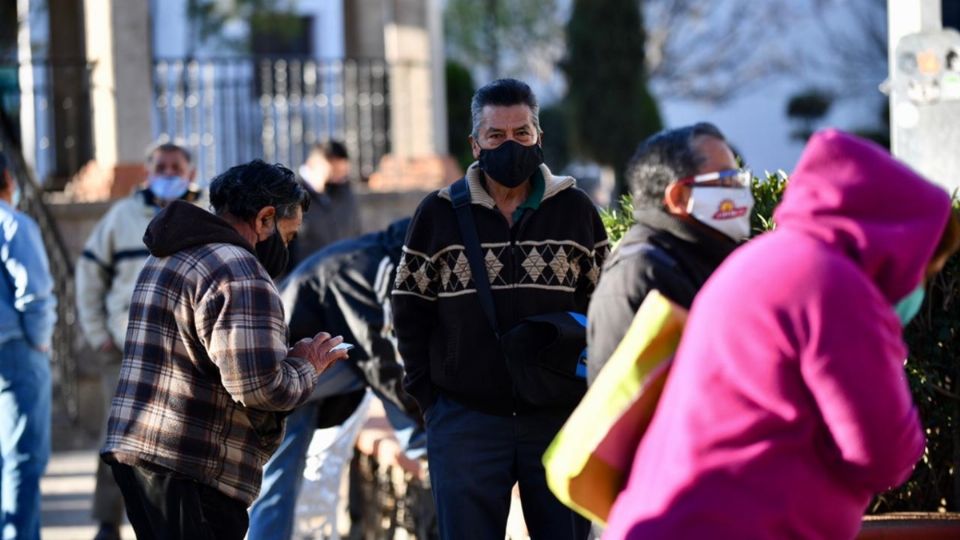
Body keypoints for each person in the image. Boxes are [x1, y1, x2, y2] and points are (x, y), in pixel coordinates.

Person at [603, 129, 960, 539]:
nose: (915, 286)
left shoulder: (763, 258)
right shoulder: (834, 284)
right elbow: (884, 453)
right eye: (921, 269)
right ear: (892, 244)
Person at [392, 78, 608, 540]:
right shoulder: (438, 213)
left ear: (539, 137)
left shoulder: (576, 210)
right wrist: (431, 403)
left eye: (522, 134)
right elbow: (408, 313)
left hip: (558, 420)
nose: (511, 145)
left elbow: (604, 308)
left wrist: (590, 401)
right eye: (496, 136)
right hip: (466, 422)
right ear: (475, 144)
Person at [100, 159, 349, 540]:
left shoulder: (170, 254)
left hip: (142, 455)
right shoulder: (239, 270)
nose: (287, 247)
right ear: (265, 219)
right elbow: (259, 387)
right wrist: (307, 365)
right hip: (191, 466)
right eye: (288, 234)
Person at [248, 217, 425, 539]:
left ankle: (421, 446)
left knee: (278, 485)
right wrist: (425, 424)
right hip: (289, 378)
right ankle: (423, 448)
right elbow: (379, 361)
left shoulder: (374, 257)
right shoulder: (371, 265)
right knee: (276, 485)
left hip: (302, 380)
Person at [75, 142, 202, 540]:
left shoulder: (205, 216)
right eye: (160, 166)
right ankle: (108, 520)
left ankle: (166, 522)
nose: (167, 172)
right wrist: (98, 335)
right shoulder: (122, 217)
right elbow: (89, 277)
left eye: (175, 166)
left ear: (191, 173)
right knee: (117, 437)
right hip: (125, 348)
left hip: (183, 350)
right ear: (147, 173)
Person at [587, 123, 749, 378]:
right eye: (725, 180)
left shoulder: (713, 254)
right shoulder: (641, 274)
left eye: (739, 179)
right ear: (678, 197)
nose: (740, 192)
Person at [0, 152, 57, 540]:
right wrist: (40, 342)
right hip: (16, 347)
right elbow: (35, 294)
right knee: (23, 457)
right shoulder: (13, 223)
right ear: (8, 178)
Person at [286, 140, 362, 273]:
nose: (338, 181)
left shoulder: (345, 193)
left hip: (339, 280)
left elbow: (356, 235)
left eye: (342, 175)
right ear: (313, 164)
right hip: (302, 281)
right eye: (333, 174)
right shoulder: (290, 196)